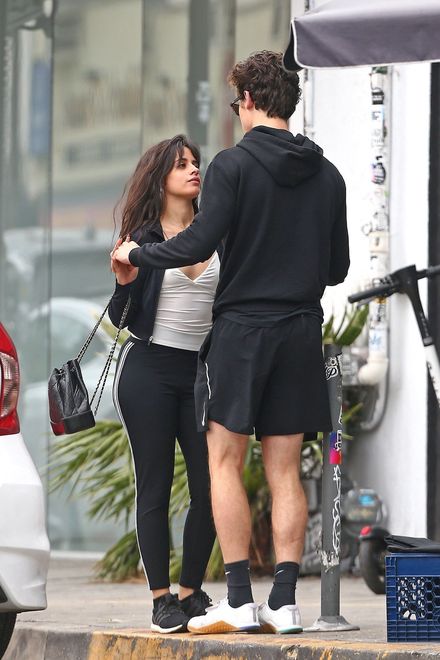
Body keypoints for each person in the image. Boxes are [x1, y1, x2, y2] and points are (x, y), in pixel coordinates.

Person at [114, 51, 350, 635]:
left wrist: (137, 253)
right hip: (301, 328)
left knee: (223, 462)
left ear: (247, 100)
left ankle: (240, 599)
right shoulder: (329, 175)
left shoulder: (233, 165)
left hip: (242, 331)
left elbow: (197, 244)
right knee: (285, 469)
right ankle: (286, 602)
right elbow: (338, 269)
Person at [109, 135, 218, 634]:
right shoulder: (141, 239)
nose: (193, 170)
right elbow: (121, 318)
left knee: (210, 486)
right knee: (154, 486)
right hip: (149, 370)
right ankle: (161, 599)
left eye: (195, 162)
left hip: (201, 372)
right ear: (161, 178)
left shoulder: (216, 231)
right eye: (181, 164)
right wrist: (124, 281)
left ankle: (191, 592)